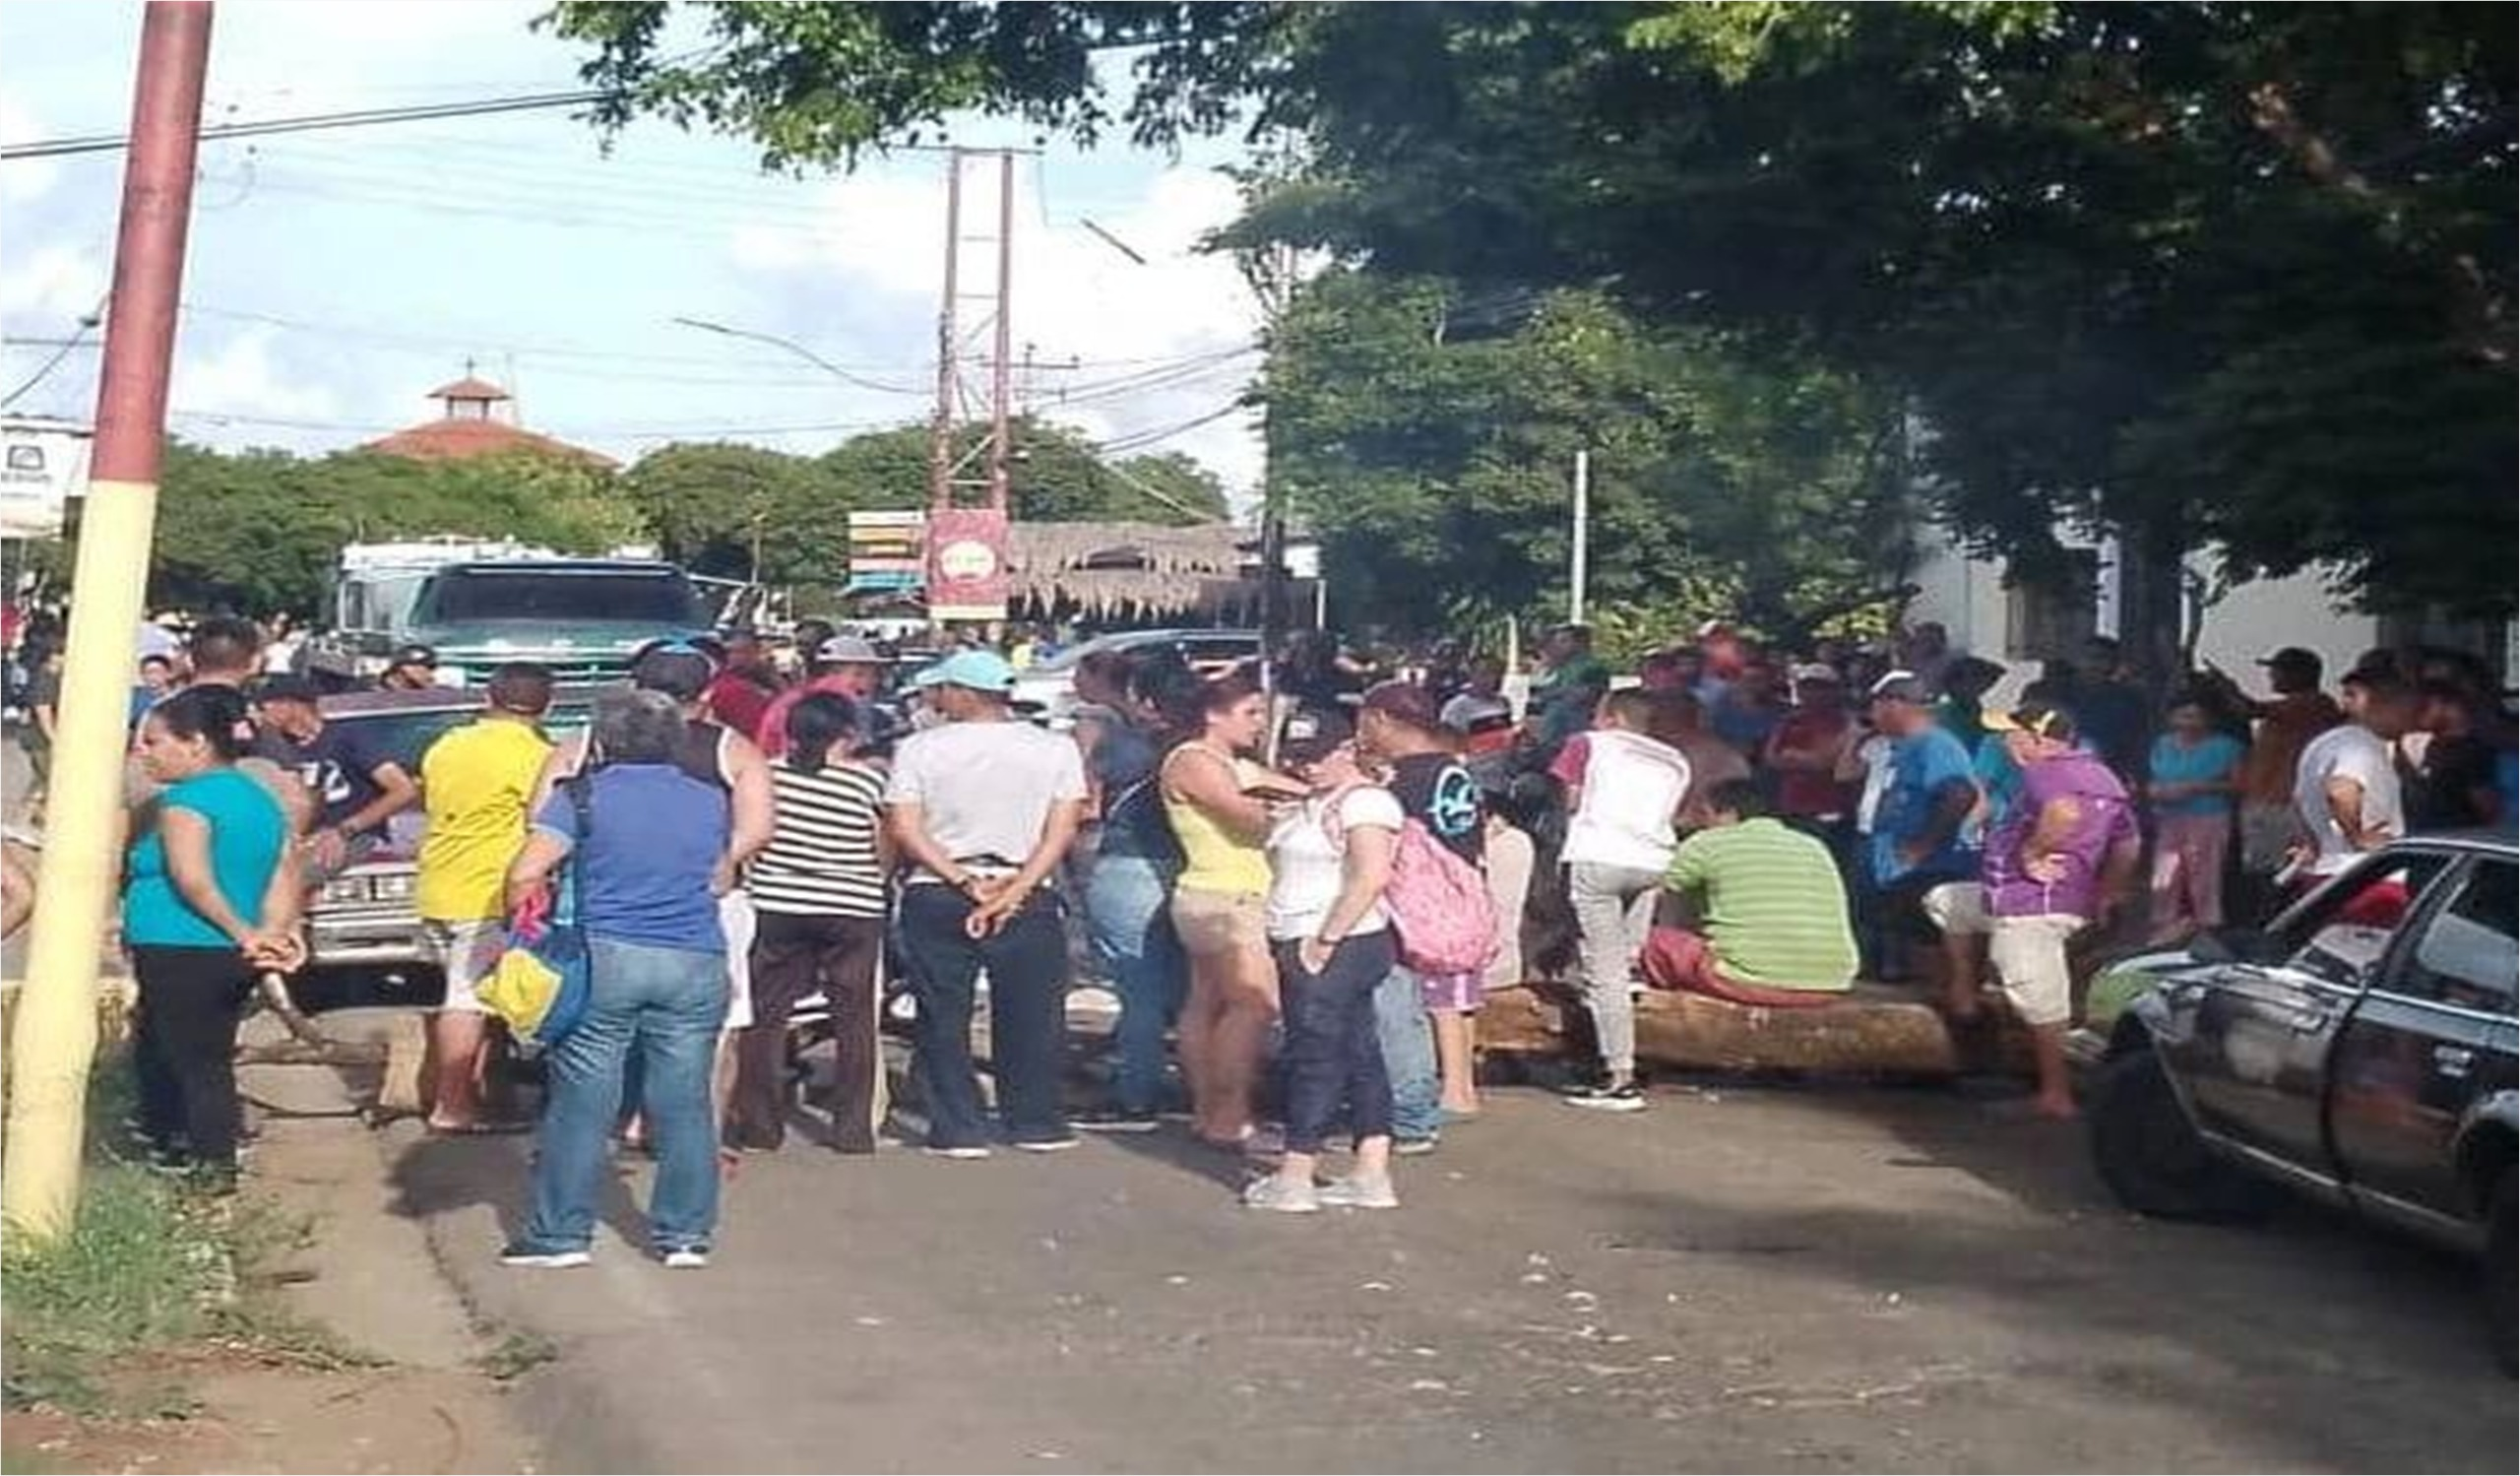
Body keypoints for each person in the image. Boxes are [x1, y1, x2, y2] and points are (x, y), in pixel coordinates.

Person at [502, 689, 733, 1269]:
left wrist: (526, 930)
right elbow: (720, 875)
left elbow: (526, 871)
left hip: (607, 954)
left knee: (583, 1103)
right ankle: (684, 1236)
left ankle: (561, 1236)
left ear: (602, 741)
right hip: (696, 957)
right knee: (684, 1103)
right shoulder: (710, 800)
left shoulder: (579, 797)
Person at [884, 650, 1089, 1157]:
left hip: (939, 885)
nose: (936, 698)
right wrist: (1017, 889)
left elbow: (905, 825)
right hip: (1027, 886)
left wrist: (962, 880)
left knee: (941, 1010)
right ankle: (1035, 1120)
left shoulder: (919, 749)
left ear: (965, 693)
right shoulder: (1055, 749)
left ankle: (958, 1125)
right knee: (1032, 1011)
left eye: (943, 689)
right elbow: (1061, 830)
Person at [123, 686, 301, 1188]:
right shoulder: (258, 799)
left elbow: (192, 878)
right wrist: (273, 932)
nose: (144, 753)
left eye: (155, 742)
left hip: (184, 944)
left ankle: (208, 1167)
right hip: (226, 950)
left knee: (196, 1064)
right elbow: (284, 872)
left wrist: (246, 933)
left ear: (196, 743)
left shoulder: (185, 802)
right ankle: (180, 1147)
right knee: (183, 1049)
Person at [1924, 702, 2139, 1118]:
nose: (2006, 741)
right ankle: (1965, 994)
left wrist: (2033, 851)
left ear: (2039, 739)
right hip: (2032, 897)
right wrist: (2109, 891)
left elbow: (2063, 812)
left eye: (2014, 733)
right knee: (1948, 902)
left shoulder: (2048, 772)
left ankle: (2055, 1093)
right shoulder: (2102, 776)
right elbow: (2128, 841)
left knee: (2037, 996)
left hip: (2032, 904)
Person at [1241, 708, 1404, 1213]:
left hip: (1337, 939)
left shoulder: (1367, 803)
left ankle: (1296, 1174)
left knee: (1315, 1056)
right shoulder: (1315, 801)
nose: (1306, 767)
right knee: (1357, 1051)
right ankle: (1371, 1170)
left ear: (1347, 749)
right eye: (1297, 757)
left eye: (1316, 757)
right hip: (1312, 935)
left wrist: (1325, 940)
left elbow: (1372, 873)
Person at [737, 694, 892, 1154]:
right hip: (852, 906)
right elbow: (882, 846)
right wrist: (874, 879)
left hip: (776, 902)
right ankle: (853, 1129)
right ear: (844, 734)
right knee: (855, 1017)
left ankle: (761, 1126)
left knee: (766, 1017)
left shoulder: (766, 776)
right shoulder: (865, 784)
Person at [1160, 670, 1298, 1151]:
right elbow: (1247, 817)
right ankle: (1229, 1115)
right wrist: (1289, 811)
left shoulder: (1228, 761)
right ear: (1213, 715)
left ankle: (1207, 1111)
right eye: (1251, 713)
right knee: (1254, 1004)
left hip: (1220, 894)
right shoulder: (1195, 762)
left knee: (1207, 1003)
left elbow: (1281, 787)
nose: (1260, 724)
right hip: (1225, 897)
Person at [414, 663, 556, 1134]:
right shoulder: (536, 757)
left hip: (439, 884)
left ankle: (482, 1096)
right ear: (546, 706)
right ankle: (453, 1105)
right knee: (468, 999)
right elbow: (546, 826)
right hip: (488, 893)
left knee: (474, 995)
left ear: (488, 696)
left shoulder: (448, 745)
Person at [1553, 690, 1692, 1112]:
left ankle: (1619, 1075)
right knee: (1628, 964)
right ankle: (1612, 1051)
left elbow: (1571, 800)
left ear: (1611, 717)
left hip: (1598, 856)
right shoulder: (1674, 760)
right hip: (1652, 861)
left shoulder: (1588, 744)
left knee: (1605, 970)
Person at [1071, 651, 1185, 1131]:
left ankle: (1136, 1093)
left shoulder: (1125, 744)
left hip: (1130, 863)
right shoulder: (1200, 748)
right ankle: (1178, 1077)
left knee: (1137, 985)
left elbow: (1087, 800)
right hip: (1188, 868)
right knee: (1178, 985)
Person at [1357, 679, 1477, 1128]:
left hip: (1411, 909)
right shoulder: (1453, 768)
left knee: (1402, 1007)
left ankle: (1410, 1105)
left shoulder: (1404, 781)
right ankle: (1452, 1089)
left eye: (1364, 721)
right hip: (1460, 900)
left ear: (1382, 720)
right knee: (1451, 1000)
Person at [1653, 779, 1858, 1004]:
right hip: (1831, 983)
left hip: (1750, 981)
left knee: (1651, 943)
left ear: (1728, 814)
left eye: (1705, 814)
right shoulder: (1813, 846)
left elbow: (1650, 890)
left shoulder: (1708, 843)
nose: (1702, 823)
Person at [1861, 673, 1981, 1010]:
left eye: (1877, 704)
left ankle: (1950, 1010)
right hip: (1893, 861)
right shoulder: (1902, 746)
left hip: (1927, 867)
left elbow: (1961, 793)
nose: (1873, 713)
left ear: (1895, 704)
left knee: (1928, 942)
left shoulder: (1935, 744)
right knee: (1897, 930)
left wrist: (1924, 845)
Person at [249, 674, 420, 873]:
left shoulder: (349, 737)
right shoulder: (274, 750)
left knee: (291, 879)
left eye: (263, 707)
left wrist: (344, 830)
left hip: (356, 838)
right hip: (301, 841)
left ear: (290, 704)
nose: (260, 715)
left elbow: (404, 790)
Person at [2291, 669, 2415, 880]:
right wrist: (2358, 838)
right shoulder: (2361, 745)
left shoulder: (2323, 743)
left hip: (2327, 868)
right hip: (2365, 872)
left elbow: (2298, 800)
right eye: (2404, 707)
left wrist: (2313, 844)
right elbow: (2340, 790)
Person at [2146, 692, 2245, 941]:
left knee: (2204, 873)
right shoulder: (2163, 743)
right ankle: (2164, 926)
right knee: (2165, 872)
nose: (2189, 722)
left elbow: (2239, 785)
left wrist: (2197, 787)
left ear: (2209, 719)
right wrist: (2155, 791)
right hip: (2169, 815)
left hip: (2208, 816)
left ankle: (2206, 926)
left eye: (2195, 716)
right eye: (2183, 715)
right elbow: (2154, 777)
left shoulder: (2227, 746)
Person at [755, 634, 892, 760]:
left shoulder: (789, 699)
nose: (875, 681)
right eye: (872, 674)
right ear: (856, 673)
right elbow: (859, 748)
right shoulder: (849, 703)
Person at [1763, 665, 1858, 837]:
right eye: (1807, 687)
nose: (1812, 693)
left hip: (1830, 805)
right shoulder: (1790, 721)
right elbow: (1771, 758)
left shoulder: (1846, 722)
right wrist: (1808, 759)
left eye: (1820, 687)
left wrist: (1794, 756)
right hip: (1793, 805)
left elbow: (1827, 762)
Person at [2405, 679, 2503, 831]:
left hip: (2460, 840)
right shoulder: (2434, 745)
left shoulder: (2472, 751)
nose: (2415, 715)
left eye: (2423, 708)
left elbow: (2487, 806)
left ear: (2447, 706)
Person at [1529, 624, 1609, 753]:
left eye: (1564, 641)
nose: (1557, 645)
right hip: (1553, 725)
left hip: (1572, 724)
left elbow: (1584, 694)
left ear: (1579, 643)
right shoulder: (1562, 667)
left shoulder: (1590, 666)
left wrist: (1549, 695)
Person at [703, 628, 784, 742]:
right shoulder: (729, 687)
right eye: (731, 652)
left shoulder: (767, 677)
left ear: (757, 652)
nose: (737, 657)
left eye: (744, 652)